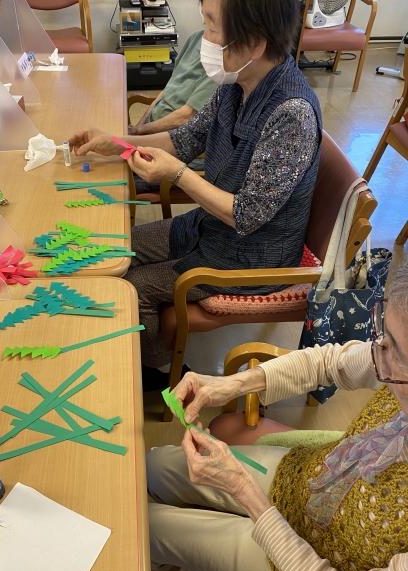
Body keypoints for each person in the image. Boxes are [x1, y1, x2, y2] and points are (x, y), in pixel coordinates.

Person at [146, 261, 408, 571]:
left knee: (147, 527)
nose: (378, 354)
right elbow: (330, 361)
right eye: (383, 334)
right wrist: (233, 385)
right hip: (304, 481)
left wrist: (246, 493)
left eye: (395, 352)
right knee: (154, 465)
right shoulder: (391, 358)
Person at [69, 0, 322, 390]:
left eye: (212, 26)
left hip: (250, 257)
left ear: (255, 43)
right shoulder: (236, 85)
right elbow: (183, 140)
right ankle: (148, 357)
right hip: (210, 226)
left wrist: (177, 175)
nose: (205, 38)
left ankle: (161, 375)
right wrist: (116, 143)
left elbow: (245, 215)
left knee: (133, 287)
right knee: (115, 250)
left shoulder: (292, 114)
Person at [129, 26, 217, 193]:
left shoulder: (221, 64)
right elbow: (168, 88)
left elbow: (186, 117)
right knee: (108, 159)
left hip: (176, 153)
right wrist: (139, 127)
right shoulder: (196, 37)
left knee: (119, 180)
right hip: (151, 136)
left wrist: (139, 134)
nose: (207, 26)